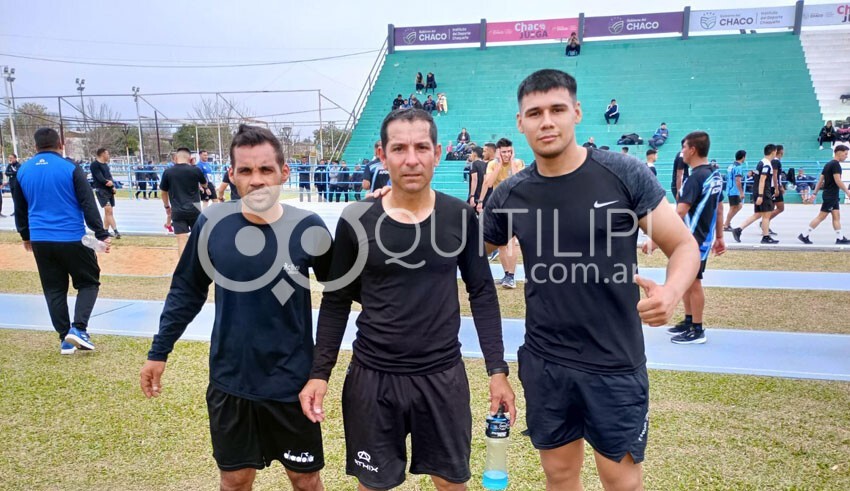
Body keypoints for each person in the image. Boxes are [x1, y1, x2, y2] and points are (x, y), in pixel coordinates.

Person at [482, 69, 699, 491]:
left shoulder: (623, 174)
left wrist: (672, 292)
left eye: (557, 109)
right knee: (560, 477)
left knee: (622, 482)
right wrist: (399, 198)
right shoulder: (509, 195)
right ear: (520, 122)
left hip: (614, 361)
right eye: (535, 113)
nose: (547, 121)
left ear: (576, 112)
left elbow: (684, 246)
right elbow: (470, 249)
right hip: (546, 362)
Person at [299, 108, 515, 491]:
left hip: (441, 377)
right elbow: (336, 300)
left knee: (451, 484)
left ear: (437, 152)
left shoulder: (460, 217)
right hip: (373, 379)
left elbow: (481, 292)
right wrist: (320, 373)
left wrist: (497, 370)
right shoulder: (357, 219)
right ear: (382, 154)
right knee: (374, 486)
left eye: (421, 147)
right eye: (399, 148)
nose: (411, 159)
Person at [140, 124, 331, 491]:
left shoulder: (308, 226)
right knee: (235, 479)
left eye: (265, 169)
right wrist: (159, 350)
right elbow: (186, 290)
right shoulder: (212, 224)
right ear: (231, 175)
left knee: (305, 480)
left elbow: (342, 291)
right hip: (232, 382)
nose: (256, 180)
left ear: (284, 173)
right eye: (245, 170)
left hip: (292, 383)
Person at [13, 128, 112, 355]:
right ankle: (78, 329)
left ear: (35, 145)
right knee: (88, 282)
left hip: (40, 239)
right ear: (61, 143)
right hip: (70, 236)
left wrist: (25, 235)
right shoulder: (70, 167)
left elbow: (20, 209)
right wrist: (100, 232)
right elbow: (88, 202)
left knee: (54, 289)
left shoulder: (23, 170)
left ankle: (65, 340)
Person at [646, 132, 726, 344]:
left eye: (683, 148)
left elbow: (680, 212)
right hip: (704, 237)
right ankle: (689, 320)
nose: (682, 153)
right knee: (686, 281)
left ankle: (697, 329)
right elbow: (719, 208)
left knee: (693, 282)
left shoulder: (695, 178)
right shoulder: (715, 175)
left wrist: (656, 238)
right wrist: (719, 236)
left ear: (692, 150)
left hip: (693, 239)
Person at [479, 138, 525, 288]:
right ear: (499, 152)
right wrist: (499, 164)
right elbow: (489, 183)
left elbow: (520, 182)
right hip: (499, 205)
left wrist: (511, 162)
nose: (507, 154)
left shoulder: (518, 163)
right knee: (501, 243)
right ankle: (507, 275)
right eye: (504, 152)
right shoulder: (492, 165)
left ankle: (511, 275)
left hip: (516, 205)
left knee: (511, 242)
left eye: (509, 152)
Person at [159, 147, 207, 257]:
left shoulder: (168, 172)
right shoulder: (195, 170)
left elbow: (163, 192)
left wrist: (167, 206)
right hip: (194, 209)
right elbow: (204, 185)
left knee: (181, 241)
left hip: (177, 210)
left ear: (175, 158)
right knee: (198, 240)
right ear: (190, 158)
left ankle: (183, 269)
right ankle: (199, 265)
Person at [798, 144, 850, 244]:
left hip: (831, 195)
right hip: (831, 195)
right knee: (821, 216)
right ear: (839, 153)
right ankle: (804, 235)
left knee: (836, 216)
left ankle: (839, 237)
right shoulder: (835, 165)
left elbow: (820, 180)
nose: (846, 156)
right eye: (845, 154)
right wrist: (847, 191)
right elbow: (838, 180)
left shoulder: (828, 164)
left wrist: (814, 193)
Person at [731, 144, 780, 244]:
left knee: (758, 214)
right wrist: (761, 196)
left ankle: (738, 230)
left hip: (757, 191)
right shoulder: (767, 164)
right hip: (763, 192)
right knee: (766, 215)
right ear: (773, 152)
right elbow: (762, 180)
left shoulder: (761, 162)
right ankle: (766, 237)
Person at [89, 148, 121, 239]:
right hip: (101, 190)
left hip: (108, 190)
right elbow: (100, 178)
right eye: (107, 154)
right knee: (108, 210)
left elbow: (109, 177)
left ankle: (105, 231)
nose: (108, 156)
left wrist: (113, 186)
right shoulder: (94, 165)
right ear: (103, 154)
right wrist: (108, 183)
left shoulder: (106, 165)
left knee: (108, 212)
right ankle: (116, 231)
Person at [723, 150, 746, 231]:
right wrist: (741, 192)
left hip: (729, 189)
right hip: (734, 191)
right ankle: (726, 224)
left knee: (736, 206)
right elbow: (738, 180)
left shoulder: (731, 166)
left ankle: (727, 223)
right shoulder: (738, 167)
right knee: (734, 207)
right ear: (743, 157)